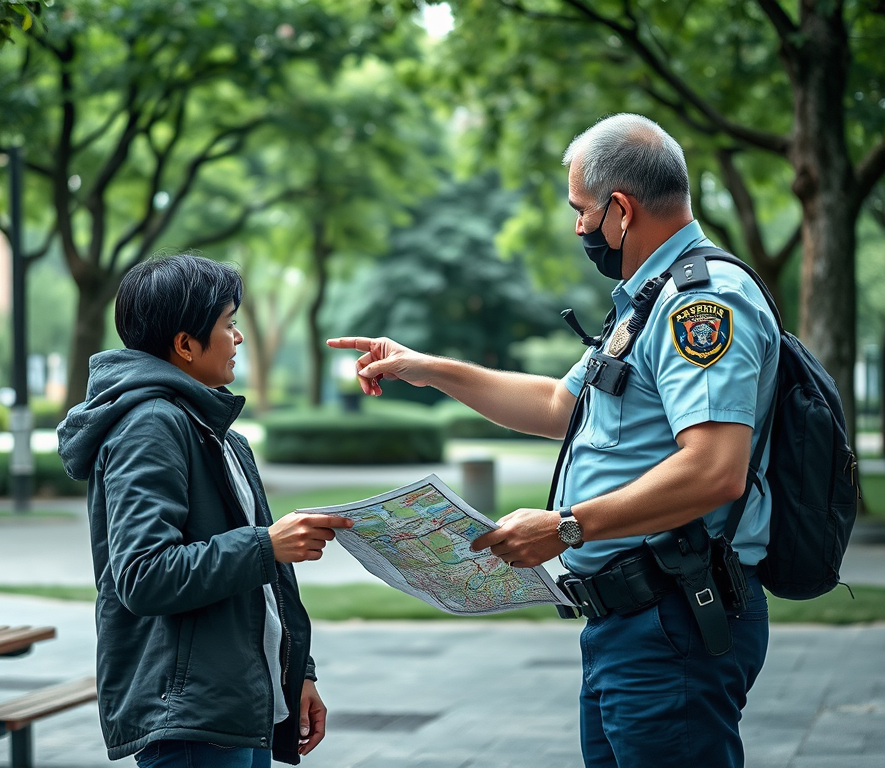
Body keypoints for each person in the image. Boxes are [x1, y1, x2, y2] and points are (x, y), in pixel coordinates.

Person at [328, 114, 779, 768]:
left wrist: (567, 527)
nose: (578, 228)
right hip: (630, 624)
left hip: (673, 620)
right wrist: (423, 367)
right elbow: (556, 404)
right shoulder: (645, 302)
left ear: (621, 209)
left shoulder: (699, 304)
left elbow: (715, 471)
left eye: (582, 210)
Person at [58, 254, 352, 768]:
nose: (238, 338)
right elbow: (143, 575)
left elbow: (265, 582)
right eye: (228, 324)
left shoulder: (215, 430)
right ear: (185, 344)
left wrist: (298, 672)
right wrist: (267, 544)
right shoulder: (149, 425)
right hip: (191, 718)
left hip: (240, 703)